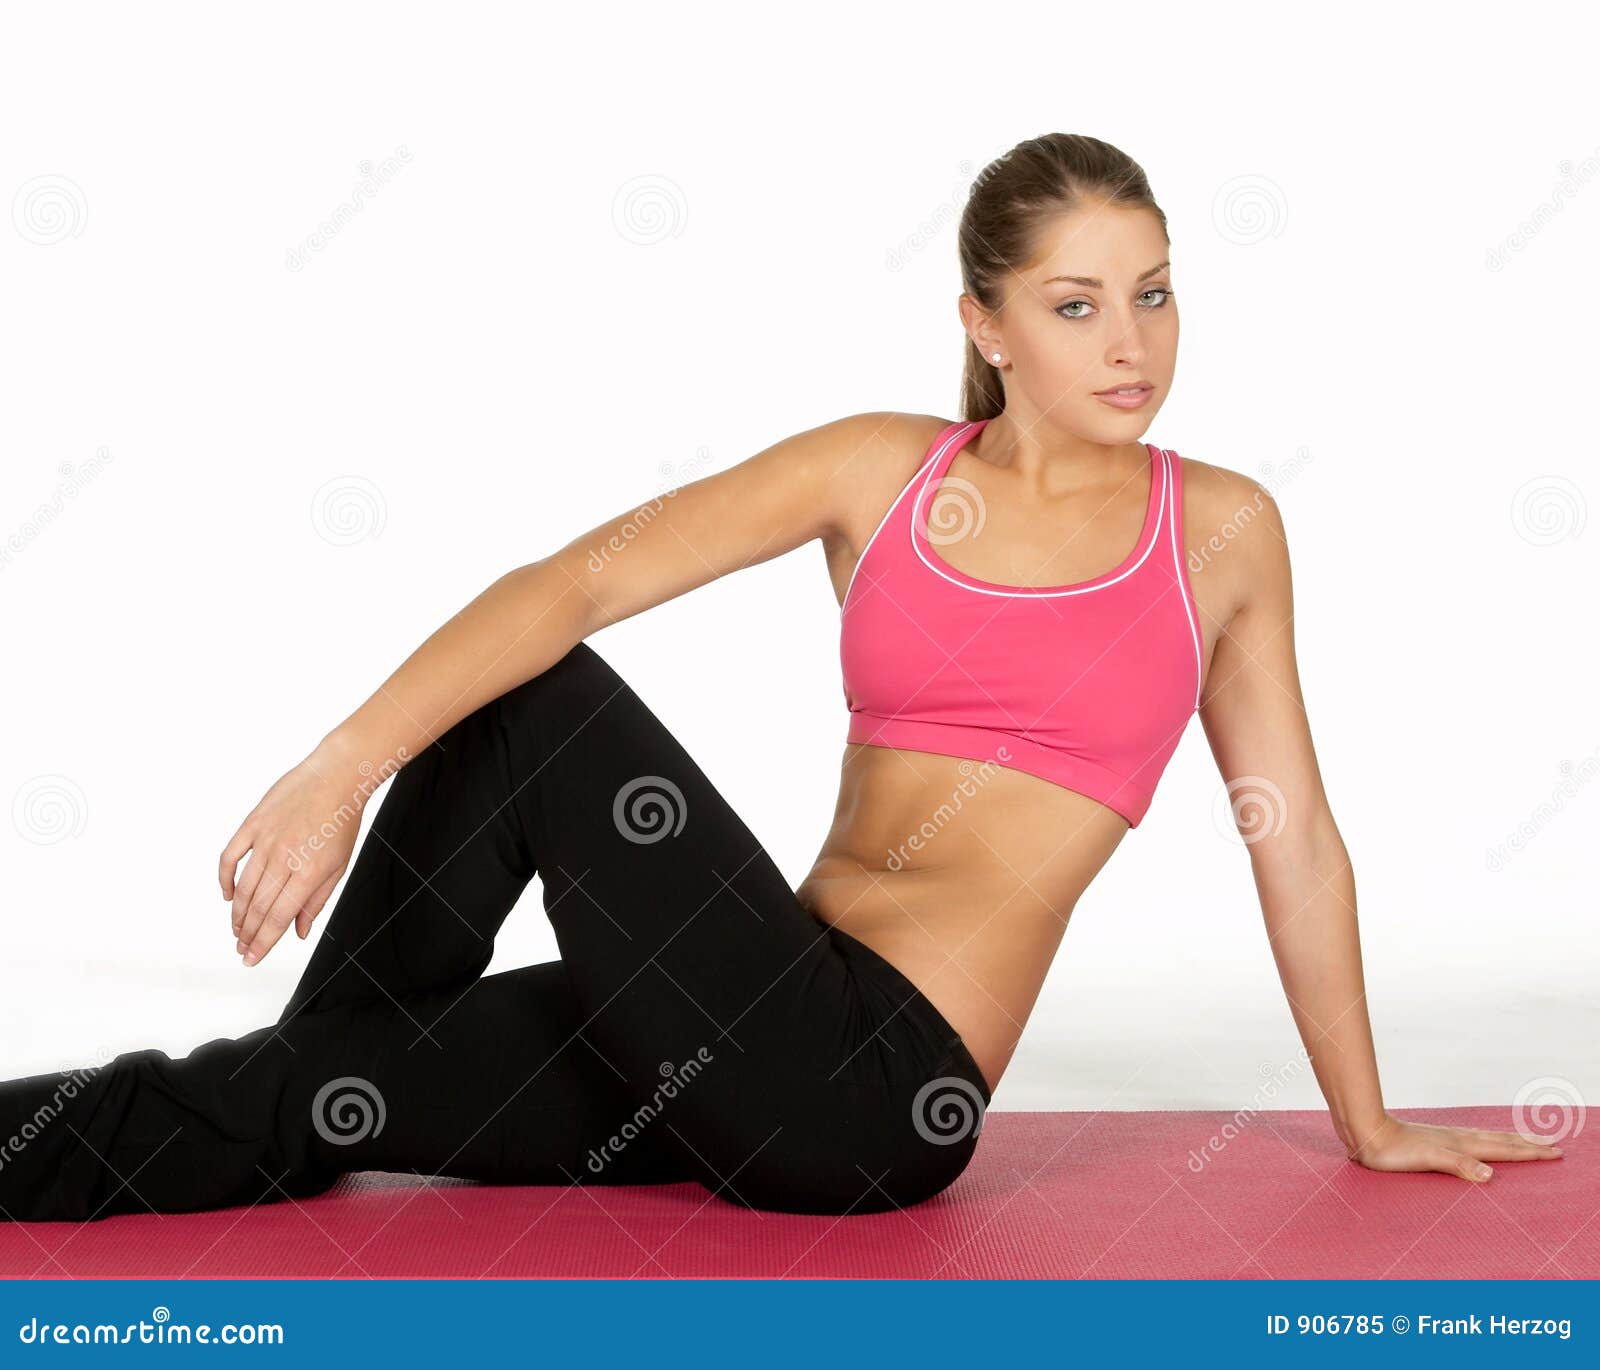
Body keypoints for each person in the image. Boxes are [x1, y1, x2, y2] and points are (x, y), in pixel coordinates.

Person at [0, 132, 1561, 1226]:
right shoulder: (878, 471)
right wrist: (339, 763)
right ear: (988, 325)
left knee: (541, 711)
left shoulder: (1220, 528)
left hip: (873, 1090)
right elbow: (573, 579)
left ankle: (318, 1051)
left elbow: (1289, 830)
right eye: (1077, 304)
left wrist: (1366, 1112)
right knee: (285, 1090)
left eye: (1153, 291)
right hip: (734, 1021)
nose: (1130, 337)